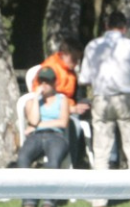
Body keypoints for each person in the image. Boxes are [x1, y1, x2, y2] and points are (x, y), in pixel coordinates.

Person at [77, 11, 130, 207]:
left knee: (101, 151)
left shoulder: (93, 46)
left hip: (102, 98)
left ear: (106, 26)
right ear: (124, 27)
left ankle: (99, 199)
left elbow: (84, 78)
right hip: (127, 98)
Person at [17, 67, 72, 207]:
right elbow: (33, 120)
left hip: (56, 136)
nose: (44, 85)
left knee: (53, 161)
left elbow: (63, 122)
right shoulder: (31, 101)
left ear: (54, 83)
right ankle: (29, 200)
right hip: (36, 137)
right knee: (23, 158)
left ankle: (49, 201)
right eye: (41, 81)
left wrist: (38, 125)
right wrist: (36, 98)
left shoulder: (62, 100)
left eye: (48, 81)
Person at [32, 38, 90, 167]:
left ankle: (88, 157)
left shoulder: (70, 71)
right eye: (74, 59)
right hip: (54, 110)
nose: (76, 63)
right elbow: (45, 95)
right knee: (74, 123)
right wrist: (70, 109)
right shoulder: (50, 68)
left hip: (69, 105)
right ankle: (74, 162)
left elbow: (73, 94)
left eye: (78, 60)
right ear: (64, 54)